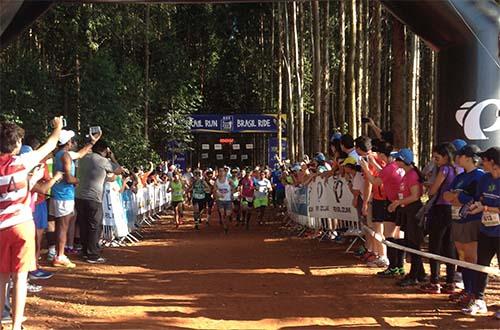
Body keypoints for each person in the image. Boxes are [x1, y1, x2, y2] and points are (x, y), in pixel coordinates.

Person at [0, 117, 63, 330]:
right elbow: (51, 144)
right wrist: (57, 127)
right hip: (22, 224)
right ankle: (16, 325)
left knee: (1, 280)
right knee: (19, 277)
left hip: (1, 228)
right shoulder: (22, 161)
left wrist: (31, 182)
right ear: (16, 144)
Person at [49, 129, 100, 268]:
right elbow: (68, 178)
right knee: (63, 227)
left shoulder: (61, 154)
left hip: (59, 194)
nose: (73, 142)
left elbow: (80, 154)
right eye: (72, 140)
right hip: (64, 195)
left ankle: (57, 253)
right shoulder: (65, 156)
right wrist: (80, 181)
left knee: (60, 226)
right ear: (68, 143)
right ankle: (59, 255)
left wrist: (92, 142)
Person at [443, 145, 485, 307]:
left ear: (468, 157)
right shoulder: (460, 176)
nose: (456, 158)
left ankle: (474, 292)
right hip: (457, 220)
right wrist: (455, 196)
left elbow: (464, 199)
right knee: (462, 257)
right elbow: (448, 195)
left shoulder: (479, 176)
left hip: (471, 221)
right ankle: (467, 289)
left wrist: (456, 197)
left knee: (471, 257)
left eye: (459, 156)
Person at [462, 147, 500, 316]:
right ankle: (479, 301)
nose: (481, 163)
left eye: (483, 160)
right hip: (486, 230)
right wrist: (476, 206)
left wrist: (485, 207)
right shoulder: (484, 179)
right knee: (481, 265)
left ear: (492, 162)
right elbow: (480, 199)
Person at [418, 143, 458, 294]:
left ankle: (434, 281)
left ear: (446, 156)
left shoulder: (444, 169)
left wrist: (430, 187)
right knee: (449, 245)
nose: (435, 161)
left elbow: (433, 190)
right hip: (452, 210)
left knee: (435, 245)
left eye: (437, 158)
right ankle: (450, 281)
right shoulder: (457, 169)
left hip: (440, 208)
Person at [75, 139, 122, 264]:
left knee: (83, 225)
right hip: (93, 198)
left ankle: (85, 252)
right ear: (105, 150)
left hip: (79, 196)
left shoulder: (83, 158)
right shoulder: (103, 161)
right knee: (94, 226)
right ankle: (92, 255)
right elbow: (118, 170)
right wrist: (113, 157)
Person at [388, 148, 426, 287]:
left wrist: (398, 202)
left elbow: (415, 196)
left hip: (414, 211)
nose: (395, 161)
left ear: (403, 161)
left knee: (413, 244)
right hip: (408, 211)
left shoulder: (412, 175)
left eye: (397, 159)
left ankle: (414, 275)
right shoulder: (407, 174)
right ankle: (420, 273)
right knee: (411, 242)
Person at [214, 168, 233, 234]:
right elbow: (215, 189)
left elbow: (233, 186)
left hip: (228, 200)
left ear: (225, 173)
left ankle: (226, 225)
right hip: (220, 200)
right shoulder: (217, 181)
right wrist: (217, 195)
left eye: (223, 171)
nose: (221, 172)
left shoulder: (228, 180)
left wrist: (232, 194)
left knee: (227, 215)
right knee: (222, 214)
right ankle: (225, 227)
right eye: (220, 171)